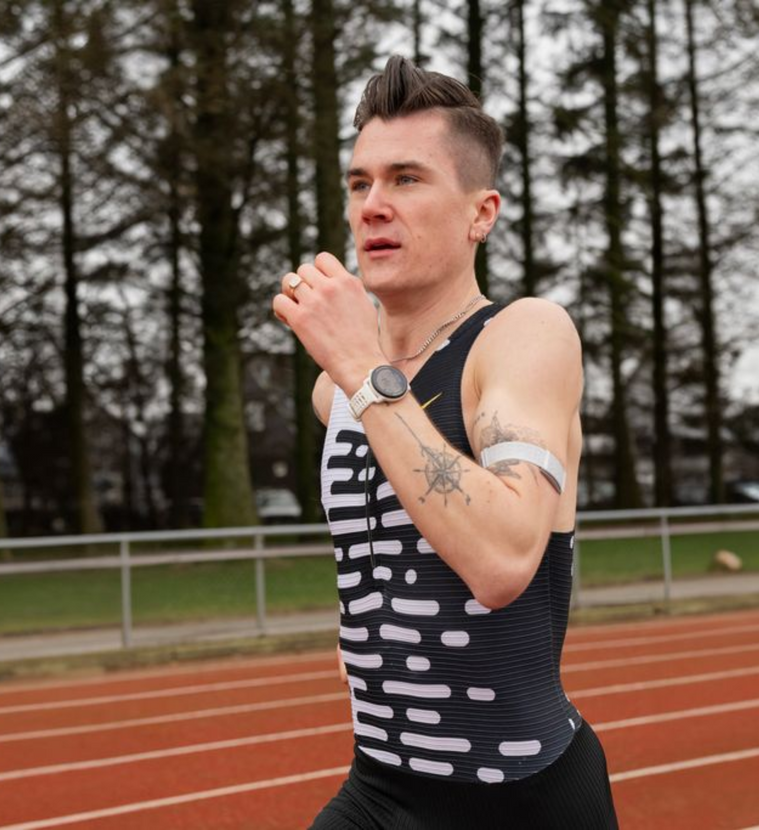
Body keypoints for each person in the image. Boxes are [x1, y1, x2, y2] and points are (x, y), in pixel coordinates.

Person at [272, 55, 618, 830]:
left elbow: (502, 562)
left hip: (520, 797)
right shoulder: (337, 391)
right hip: (379, 788)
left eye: (407, 179)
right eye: (360, 184)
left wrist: (363, 369)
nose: (373, 206)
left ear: (480, 213)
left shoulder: (522, 337)